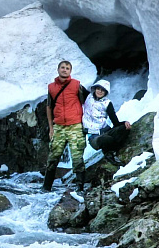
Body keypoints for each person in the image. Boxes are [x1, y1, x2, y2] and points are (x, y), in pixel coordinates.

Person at [43, 60, 88, 193]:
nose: (65, 70)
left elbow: (89, 102)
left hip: (75, 125)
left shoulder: (77, 85)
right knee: (53, 156)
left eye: (67, 68)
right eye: (62, 67)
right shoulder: (51, 87)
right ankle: (46, 187)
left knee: (77, 157)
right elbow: (49, 107)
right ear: (58, 70)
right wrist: (51, 128)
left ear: (70, 71)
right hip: (59, 126)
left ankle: (80, 188)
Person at [82, 79, 132, 165]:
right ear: (95, 88)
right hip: (94, 136)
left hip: (106, 131)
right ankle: (110, 153)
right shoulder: (87, 96)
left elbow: (115, 121)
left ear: (106, 92)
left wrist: (124, 123)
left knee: (124, 129)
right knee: (105, 139)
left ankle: (111, 152)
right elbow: (76, 86)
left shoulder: (107, 103)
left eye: (103, 90)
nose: (100, 91)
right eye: (98, 88)